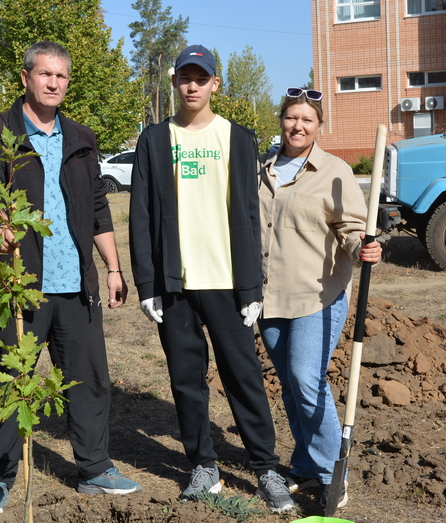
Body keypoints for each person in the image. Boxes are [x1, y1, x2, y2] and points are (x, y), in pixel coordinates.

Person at [0, 41, 142, 517]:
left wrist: (113, 268)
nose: (54, 83)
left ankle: (95, 468)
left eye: (61, 76)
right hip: (20, 283)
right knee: (8, 383)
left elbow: (98, 207)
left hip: (76, 282)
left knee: (89, 378)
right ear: (25, 78)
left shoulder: (81, 137)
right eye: (45, 75)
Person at [128, 44, 295, 513]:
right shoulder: (155, 140)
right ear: (176, 83)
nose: (193, 85)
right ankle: (204, 466)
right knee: (186, 380)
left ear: (215, 84)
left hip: (226, 282)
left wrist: (252, 286)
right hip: (175, 284)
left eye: (202, 78)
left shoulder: (238, 139)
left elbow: (248, 214)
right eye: (186, 77)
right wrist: (148, 284)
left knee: (244, 377)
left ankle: (265, 468)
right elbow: (140, 214)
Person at [257, 87, 381, 510]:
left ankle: (332, 475)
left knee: (306, 379)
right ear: (282, 121)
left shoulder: (334, 171)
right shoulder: (264, 169)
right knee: (290, 387)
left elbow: (351, 226)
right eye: (292, 118)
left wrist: (362, 245)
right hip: (269, 296)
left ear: (318, 126)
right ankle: (307, 465)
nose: (298, 126)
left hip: (317, 293)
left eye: (307, 120)